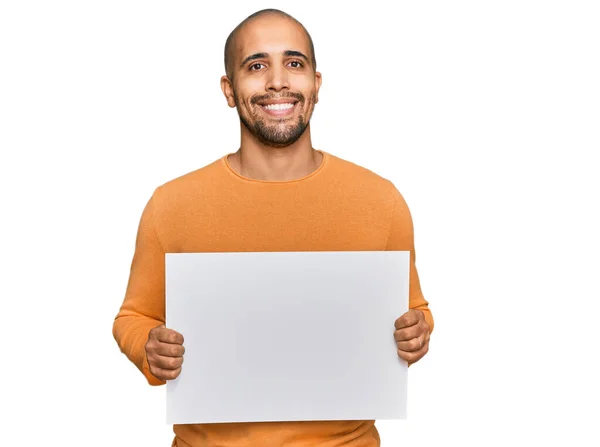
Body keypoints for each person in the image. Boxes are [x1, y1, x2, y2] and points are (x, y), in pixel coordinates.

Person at [113, 8, 434, 447]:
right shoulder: (171, 204)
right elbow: (134, 316)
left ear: (317, 85)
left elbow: (414, 311)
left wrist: (416, 332)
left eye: (294, 63)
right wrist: (149, 346)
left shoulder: (381, 200)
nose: (277, 81)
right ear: (229, 89)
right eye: (257, 65)